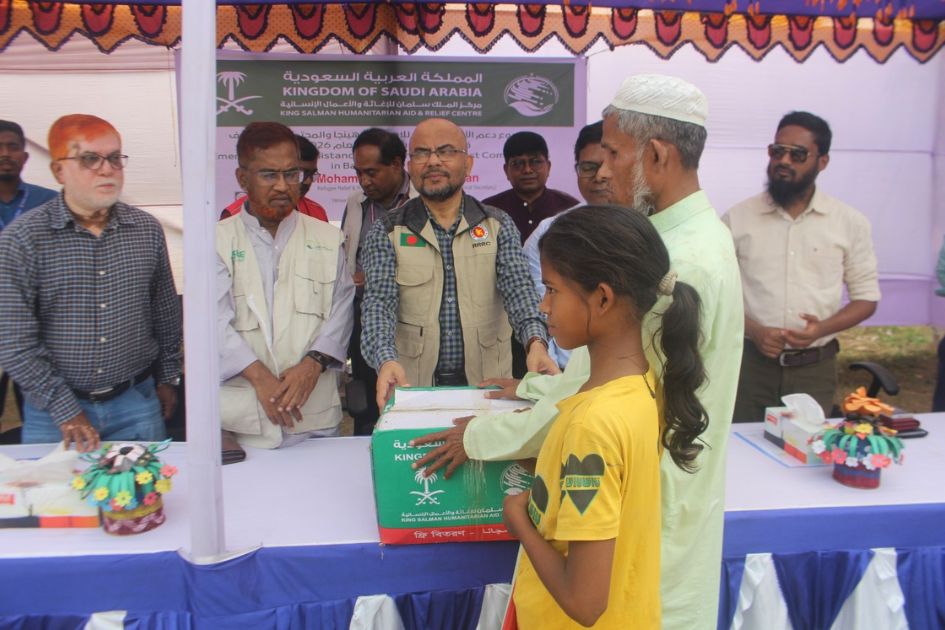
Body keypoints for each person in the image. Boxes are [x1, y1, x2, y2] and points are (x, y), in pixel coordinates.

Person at [413, 75, 744, 630]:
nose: (601, 169)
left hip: (629, 525)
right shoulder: (697, 238)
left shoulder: (673, 262)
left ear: (656, 154)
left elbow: (598, 395)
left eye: (612, 153)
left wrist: (480, 437)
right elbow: (600, 377)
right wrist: (536, 385)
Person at [503, 205, 707, 629]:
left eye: (552, 290)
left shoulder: (592, 424)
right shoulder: (642, 384)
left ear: (602, 297)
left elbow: (585, 601)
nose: (543, 305)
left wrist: (520, 522)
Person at [0, 114, 182, 452]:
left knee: (146, 501)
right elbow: (15, 342)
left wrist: (169, 378)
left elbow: (165, 311)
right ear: (58, 170)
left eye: (115, 158)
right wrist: (67, 411)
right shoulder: (22, 240)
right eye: (89, 159)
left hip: (136, 402)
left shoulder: (145, 230)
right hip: (53, 414)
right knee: (60, 504)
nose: (107, 169)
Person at [361, 118, 558, 410]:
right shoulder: (388, 231)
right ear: (410, 166)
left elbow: (520, 292)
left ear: (468, 163)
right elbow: (378, 304)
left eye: (445, 151)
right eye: (421, 153)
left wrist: (536, 343)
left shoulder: (497, 225)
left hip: (488, 389)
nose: (433, 161)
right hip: (413, 389)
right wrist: (385, 359)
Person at [723, 111, 880, 421]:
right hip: (749, 367)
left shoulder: (849, 222)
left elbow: (867, 299)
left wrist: (821, 329)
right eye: (777, 151)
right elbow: (715, 293)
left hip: (814, 369)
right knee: (742, 455)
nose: (784, 160)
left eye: (798, 154)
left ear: (822, 161)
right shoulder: (737, 219)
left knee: (805, 460)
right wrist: (754, 330)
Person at [217, 122, 354, 449]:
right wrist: (261, 379)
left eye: (292, 174)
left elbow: (342, 309)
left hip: (314, 417)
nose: (283, 186)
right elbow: (212, 321)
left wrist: (313, 365)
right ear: (242, 178)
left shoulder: (327, 238)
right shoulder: (215, 240)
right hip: (243, 423)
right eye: (268, 175)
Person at [340, 127, 417, 435]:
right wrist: (353, 276)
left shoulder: (422, 200)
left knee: (406, 394)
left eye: (371, 172)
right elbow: (350, 253)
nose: (364, 181)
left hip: (412, 319)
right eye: (359, 173)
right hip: (365, 316)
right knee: (368, 400)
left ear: (397, 164)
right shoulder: (356, 202)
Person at [522, 121, 613, 369]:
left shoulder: (651, 231)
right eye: (588, 167)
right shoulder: (549, 232)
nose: (599, 176)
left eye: (608, 165)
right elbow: (540, 308)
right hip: (560, 376)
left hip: (628, 376)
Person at [0, 120, 58, 430]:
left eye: (11, 146)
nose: (5, 153)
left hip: (36, 324)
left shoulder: (48, 202)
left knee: (32, 400)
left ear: (24, 156)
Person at [482, 131, 578, 244]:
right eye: (518, 163)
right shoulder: (488, 211)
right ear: (506, 170)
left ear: (548, 167)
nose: (527, 170)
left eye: (535, 162)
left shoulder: (570, 209)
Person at [221, 134, 328, 222]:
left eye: (312, 174)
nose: (308, 181)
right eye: (298, 173)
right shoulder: (234, 215)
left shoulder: (317, 211)